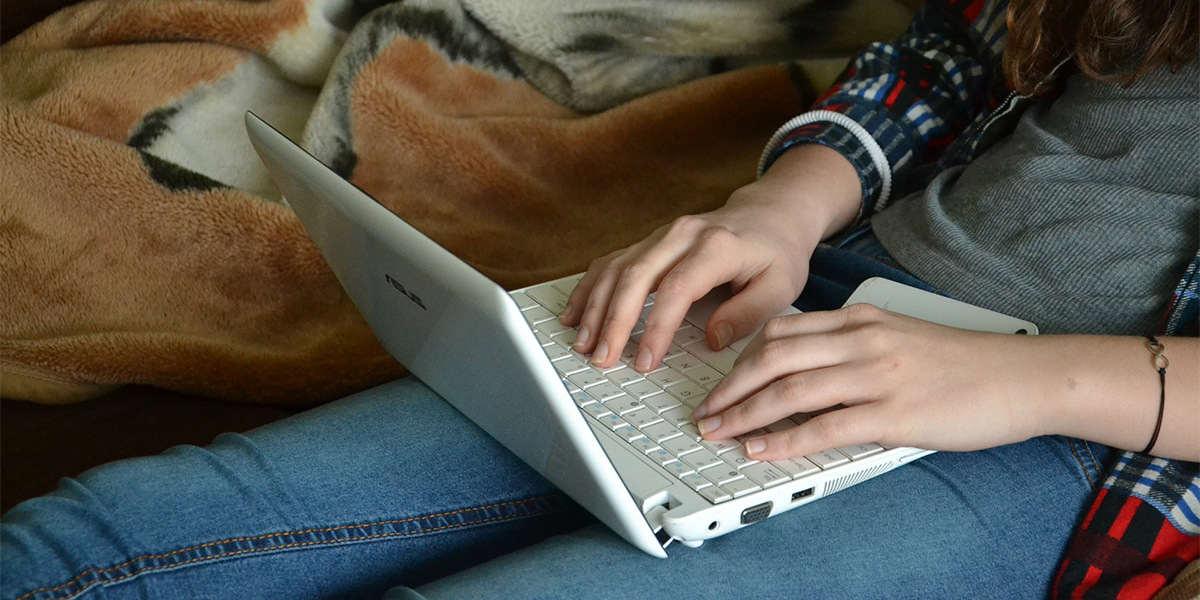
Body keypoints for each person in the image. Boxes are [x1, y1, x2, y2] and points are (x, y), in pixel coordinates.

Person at [2, 0, 1196, 598]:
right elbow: (959, 54)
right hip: (822, 296)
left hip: (1073, 431)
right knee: (108, 535)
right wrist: (777, 207)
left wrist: (1016, 380)